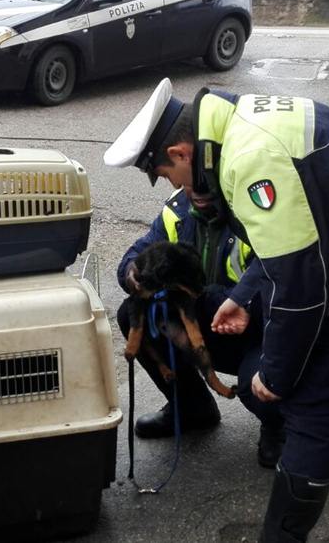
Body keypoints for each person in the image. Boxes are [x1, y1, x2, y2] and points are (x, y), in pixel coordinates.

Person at [104, 79, 329, 543]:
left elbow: (301, 286)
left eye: (166, 173)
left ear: (181, 152)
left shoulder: (250, 159)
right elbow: (287, 239)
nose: (171, 185)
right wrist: (243, 292)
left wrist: (276, 374)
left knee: (311, 407)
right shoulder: (240, 123)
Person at [117, 182, 285, 467]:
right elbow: (141, 250)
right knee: (132, 315)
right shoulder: (178, 207)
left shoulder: (257, 205)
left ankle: (282, 426)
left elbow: (286, 282)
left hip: (261, 328)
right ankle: (193, 409)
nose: (191, 188)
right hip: (213, 321)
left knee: (257, 384)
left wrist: (245, 305)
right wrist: (132, 271)